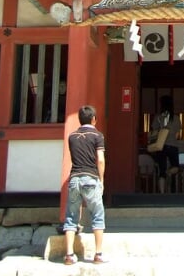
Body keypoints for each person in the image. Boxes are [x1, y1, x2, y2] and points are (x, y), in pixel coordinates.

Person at [63, 105, 107, 265]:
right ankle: (98, 254)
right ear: (94, 119)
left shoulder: (72, 136)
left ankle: (69, 255)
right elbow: (100, 159)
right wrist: (101, 179)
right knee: (97, 215)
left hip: (75, 177)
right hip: (90, 178)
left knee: (71, 217)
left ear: (79, 119)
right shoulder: (97, 135)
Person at [150, 95, 181, 193]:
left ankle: (162, 194)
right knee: (176, 166)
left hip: (160, 146)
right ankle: (169, 172)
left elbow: (153, 131)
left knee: (161, 171)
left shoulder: (158, 117)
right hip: (173, 145)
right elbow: (177, 133)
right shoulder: (176, 118)